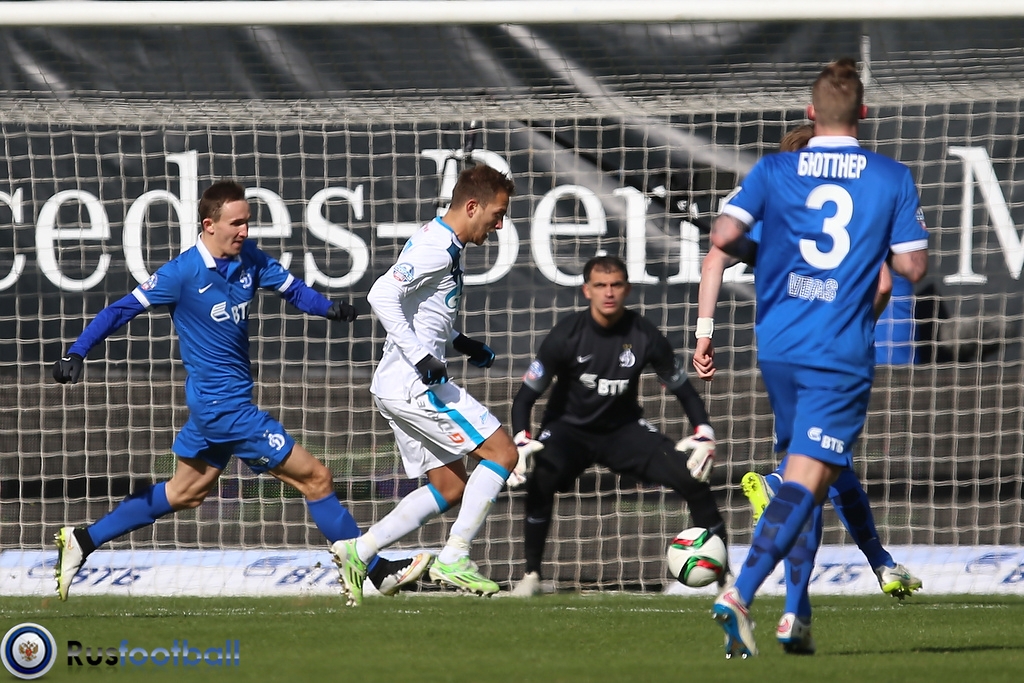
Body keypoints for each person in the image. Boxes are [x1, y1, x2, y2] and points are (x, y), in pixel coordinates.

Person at [51, 180, 430, 601]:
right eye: (236, 223)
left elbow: (293, 290)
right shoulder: (181, 273)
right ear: (209, 225)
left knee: (184, 492)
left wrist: (329, 309)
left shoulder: (250, 259)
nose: (245, 231)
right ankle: (375, 571)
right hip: (225, 411)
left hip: (215, 409)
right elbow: (119, 310)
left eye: (247, 222)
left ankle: (82, 540)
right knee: (317, 478)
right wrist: (77, 351)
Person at [705, 59, 929, 659]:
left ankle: (797, 614)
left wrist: (775, 251)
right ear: (863, 113)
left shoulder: (774, 169)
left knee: (815, 473)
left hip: (778, 345)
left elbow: (723, 236)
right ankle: (741, 593)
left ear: (810, 112)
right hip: (837, 348)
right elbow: (909, 268)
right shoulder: (890, 177)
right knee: (809, 478)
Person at [331, 164, 521, 606]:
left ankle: (359, 551)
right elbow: (381, 296)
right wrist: (422, 357)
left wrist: (460, 342)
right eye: (497, 214)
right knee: (503, 453)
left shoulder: (439, 239)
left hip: (396, 385)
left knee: (450, 486)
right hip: (414, 385)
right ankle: (455, 556)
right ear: (471, 207)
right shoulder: (437, 248)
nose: (499, 225)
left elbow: (421, 310)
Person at [509, 254, 725, 597]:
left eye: (616, 285)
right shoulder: (565, 336)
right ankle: (531, 576)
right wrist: (521, 440)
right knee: (541, 480)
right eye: (600, 285)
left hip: (624, 431)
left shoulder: (644, 334)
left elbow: (684, 390)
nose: (608, 292)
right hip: (568, 431)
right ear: (586, 291)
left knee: (692, 477)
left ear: (627, 289)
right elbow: (524, 399)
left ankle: (725, 581)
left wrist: (705, 432)